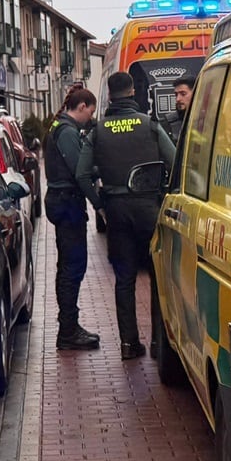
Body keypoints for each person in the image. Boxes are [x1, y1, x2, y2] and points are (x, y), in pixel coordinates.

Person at [78, 71, 177, 360]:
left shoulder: (98, 131)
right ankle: (159, 343)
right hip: (148, 208)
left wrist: (100, 204)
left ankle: (129, 344)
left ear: (109, 96)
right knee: (157, 275)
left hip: (117, 210)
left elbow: (82, 175)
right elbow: (174, 161)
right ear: (133, 92)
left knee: (124, 279)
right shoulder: (150, 125)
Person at [44, 88, 101, 352]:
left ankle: (68, 326)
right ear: (81, 106)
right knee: (73, 267)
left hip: (61, 202)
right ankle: (68, 331)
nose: (91, 117)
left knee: (67, 266)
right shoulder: (67, 132)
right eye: (91, 111)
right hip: (67, 204)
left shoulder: (60, 126)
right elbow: (80, 170)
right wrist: (98, 198)